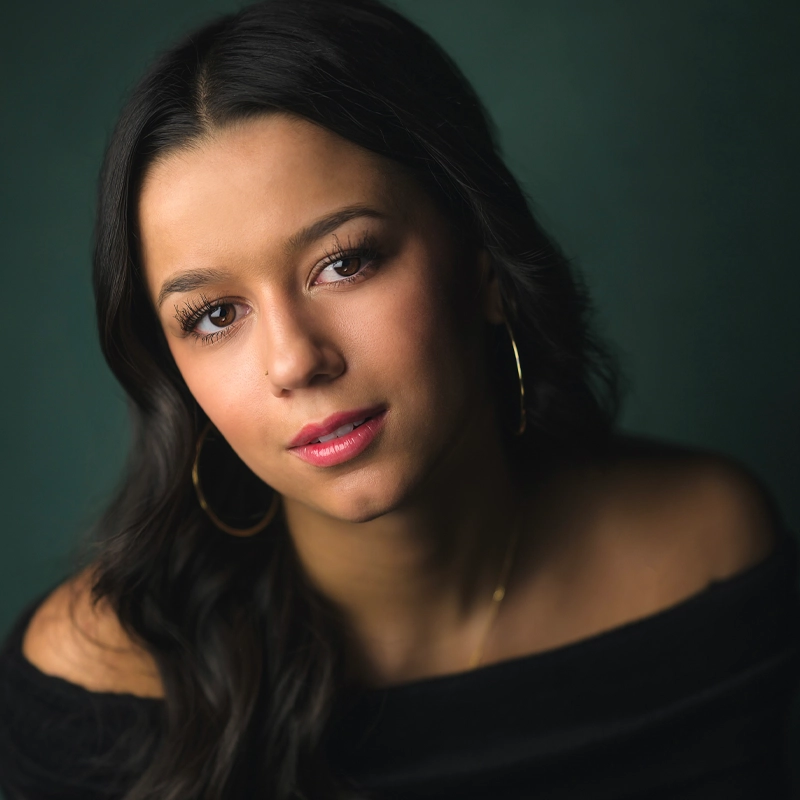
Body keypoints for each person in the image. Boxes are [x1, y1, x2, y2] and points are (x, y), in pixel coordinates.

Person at [1, 0, 798, 798]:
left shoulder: (705, 557)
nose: (295, 360)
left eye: (344, 262)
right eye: (214, 315)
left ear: (483, 261)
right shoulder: (96, 680)